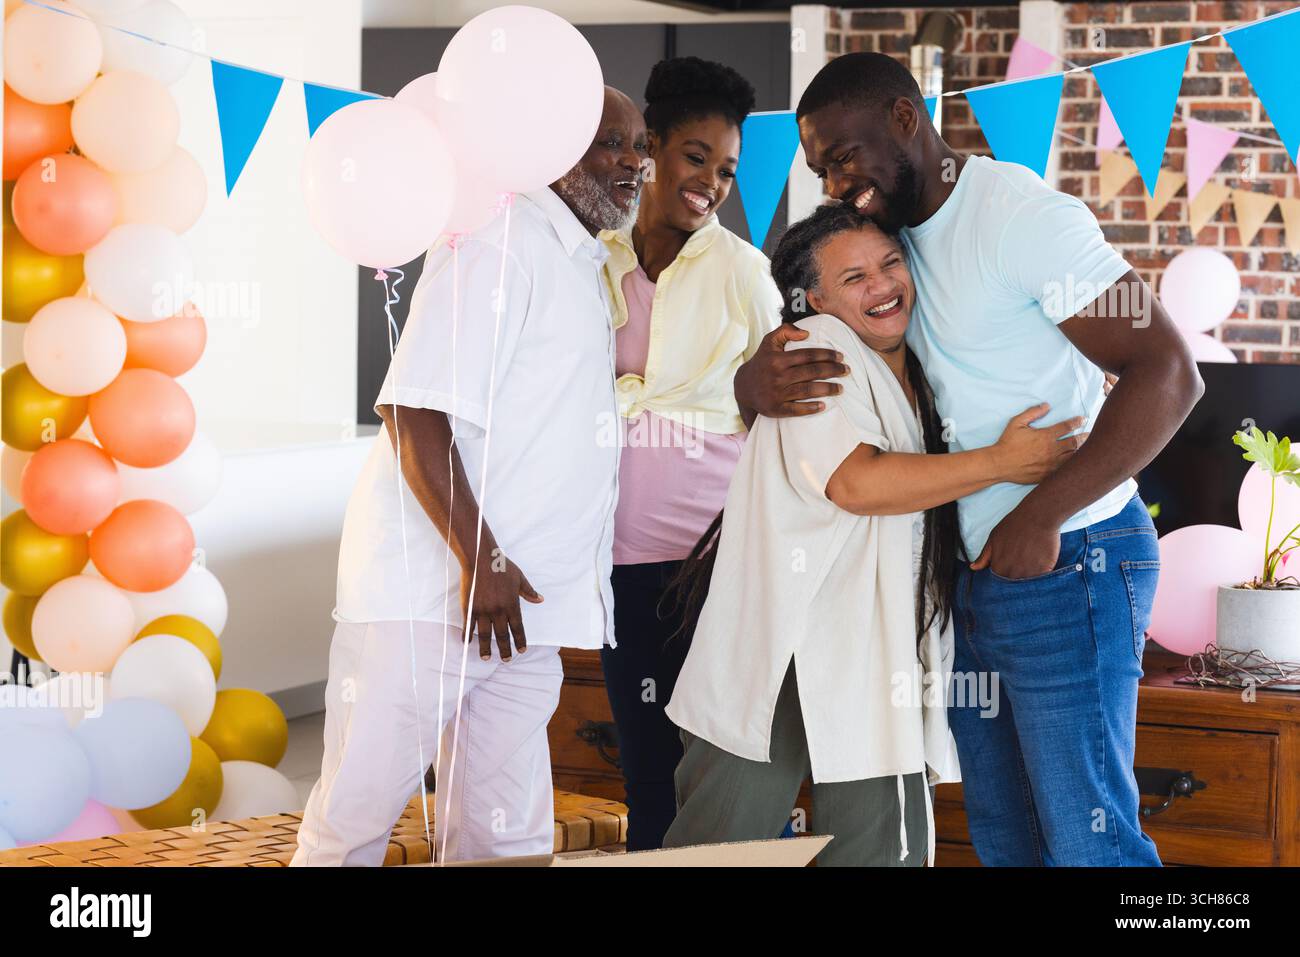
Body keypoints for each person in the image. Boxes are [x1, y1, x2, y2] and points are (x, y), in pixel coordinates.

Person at [734, 52, 1204, 866]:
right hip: (977, 574)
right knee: (1007, 841)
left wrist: (1043, 512)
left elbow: (1169, 370)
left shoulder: (1021, 215)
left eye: (844, 158)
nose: (836, 184)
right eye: (820, 170)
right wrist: (751, 380)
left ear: (906, 120)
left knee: (1089, 840)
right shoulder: (894, 243)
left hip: (1072, 554)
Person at [661, 202, 1083, 866]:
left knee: (879, 850)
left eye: (889, 263)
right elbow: (854, 482)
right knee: (716, 848)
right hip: (783, 644)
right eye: (853, 275)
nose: (881, 284)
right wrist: (1004, 461)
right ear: (813, 298)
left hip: (873, 654)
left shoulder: (924, 365)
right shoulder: (816, 347)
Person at [292, 88, 647, 866]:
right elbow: (415, 412)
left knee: (502, 839)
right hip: (435, 595)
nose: (635, 162)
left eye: (638, 144)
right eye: (610, 142)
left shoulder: (580, 257)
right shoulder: (499, 238)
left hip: (523, 610)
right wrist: (479, 558)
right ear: (550, 147)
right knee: (352, 823)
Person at [597, 57, 782, 850]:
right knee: (643, 763)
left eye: (728, 169)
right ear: (652, 148)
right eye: (695, 156)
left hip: (714, 559)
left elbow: (791, 406)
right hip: (617, 557)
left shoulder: (744, 270)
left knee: (712, 764)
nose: (711, 181)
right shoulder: (596, 256)